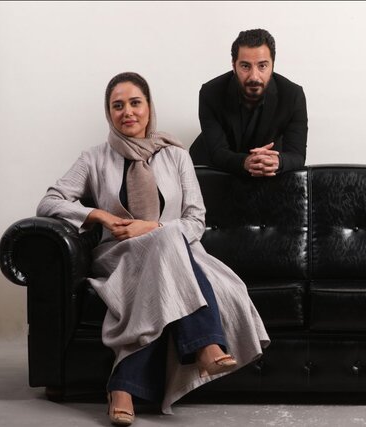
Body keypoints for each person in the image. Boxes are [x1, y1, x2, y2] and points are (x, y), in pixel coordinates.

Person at [36, 72, 269, 425]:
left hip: (175, 253)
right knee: (166, 242)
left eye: (135, 103)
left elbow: (195, 221)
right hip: (120, 256)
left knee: (166, 241)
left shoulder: (176, 156)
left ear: (149, 107)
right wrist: (99, 216)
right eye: (118, 106)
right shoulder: (94, 158)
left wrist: (153, 228)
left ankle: (122, 388)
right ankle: (206, 343)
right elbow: (49, 202)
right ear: (108, 113)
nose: (127, 112)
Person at [189, 28, 308, 177]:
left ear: (272, 65)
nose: (254, 76)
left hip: (265, 174)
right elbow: (217, 152)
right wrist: (246, 162)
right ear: (234, 66)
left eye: (262, 66)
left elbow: (297, 155)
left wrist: (278, 162)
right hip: (213, 171)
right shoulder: (210, 93)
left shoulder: (293, 95)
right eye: (245, 66)